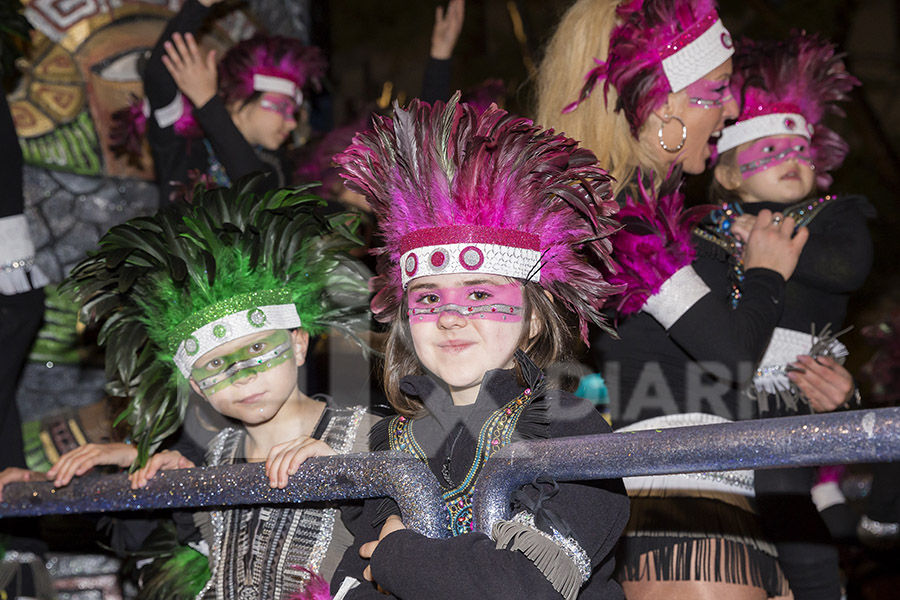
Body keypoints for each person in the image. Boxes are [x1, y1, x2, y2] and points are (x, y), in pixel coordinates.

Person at [535, 1, 810, 597]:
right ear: (663, 107)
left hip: (714, 490)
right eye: (715, 91)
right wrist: (766, 274)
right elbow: (730, 355)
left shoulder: (649, 213)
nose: (733, 108)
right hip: (681, 497)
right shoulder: (629, 217)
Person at [327, 93, 629, 600]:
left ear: (533, 317)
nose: (449, 316)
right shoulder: (390, 441)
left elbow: (523, 586)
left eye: (481, 294)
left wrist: (395, 555)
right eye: (427, 297)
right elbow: (349, 587)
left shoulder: (568, 425)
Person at [26, 180, 373, 599]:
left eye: (257, 348)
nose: (241, 375)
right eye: (214, 365)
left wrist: (352, 476)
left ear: (298, 343)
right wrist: (154, 484)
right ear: (196, 385)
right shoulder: (207, 461)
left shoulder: (373, 436)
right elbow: (147, 540)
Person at [709, 32, 872, 599]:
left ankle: (821, 588)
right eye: (769, 151)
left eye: (799, 150)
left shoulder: (834, 214)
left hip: (798, 379)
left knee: (778, 476)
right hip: (720, 387)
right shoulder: (706, 230)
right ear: (729, 173)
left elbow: (846, 268)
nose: (790, 160)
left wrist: (765, 239)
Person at [112, 0, 326, 203]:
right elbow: (159, 76)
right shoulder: (184, 143)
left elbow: (255, 189)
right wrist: (200, 5)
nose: (291, 123)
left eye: (293, 112)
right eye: (282, 107)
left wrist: (207, 102)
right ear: (240, 97)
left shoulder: (276, 166)